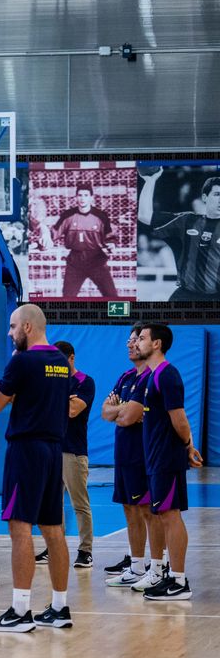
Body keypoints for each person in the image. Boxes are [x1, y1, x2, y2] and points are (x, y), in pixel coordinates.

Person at [0, 304, 73, 632]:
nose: (9, 333)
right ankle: (60, 608)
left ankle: (21, 611)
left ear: (28, 328)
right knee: (53, 529)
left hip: (27, 449)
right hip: (54, 450)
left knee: (20, 528)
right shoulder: (62, 363)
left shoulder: (23, 361)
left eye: (12, 326)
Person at [117, 323, 203, 600]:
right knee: (162, 515)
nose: (136, 342)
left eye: (141, 338)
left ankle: (179, 581)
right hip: (155, 457)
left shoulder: (167, 375)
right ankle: (171, 576)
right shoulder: (151, 376)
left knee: (170, 515)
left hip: (167, 457)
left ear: (157, 344)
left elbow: (179, 419)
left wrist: (188, 446)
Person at [102, 325, 161, 588]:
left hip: (142, 454)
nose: (131, 344)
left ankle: (159, 567)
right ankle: (137, 566)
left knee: (148, 511)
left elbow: (127, 417)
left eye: (137, 340)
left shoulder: (150, 377)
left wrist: (120, 409)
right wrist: (119, 410)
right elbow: (105, 411)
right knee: (129, 510)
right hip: (123, 454)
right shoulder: (125, 377)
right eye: (129, 340)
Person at [137, 169, 220, 300]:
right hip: (185, 296)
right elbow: (144, 216)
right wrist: (150, 181)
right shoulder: (186, 221)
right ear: (205, 197)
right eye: (217, 194)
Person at [48, 341, 95, 569]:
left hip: (73, 451)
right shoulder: (53, 382)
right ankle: (54, 547)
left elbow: (72, 410)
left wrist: (51, 400)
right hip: (51, 449)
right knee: (52, 503)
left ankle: (85, 550)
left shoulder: (85, 382)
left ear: (72, 358)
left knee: (79, 503)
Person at [50, 185, 119, 298]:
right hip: (75, 262)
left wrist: (111, 245)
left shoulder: (101, 216)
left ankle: (121, 316)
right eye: (80, 195)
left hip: (96, 261)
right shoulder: (68, 215)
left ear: (91, 197)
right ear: (76, 197)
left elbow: (109, 236)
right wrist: (42, 240)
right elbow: (54, 234)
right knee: (67, 297)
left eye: (86, 195)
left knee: (112, 296)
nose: (82, 198)